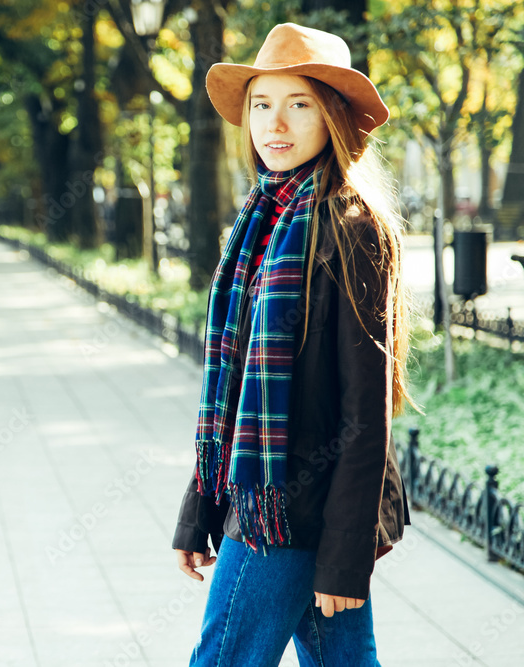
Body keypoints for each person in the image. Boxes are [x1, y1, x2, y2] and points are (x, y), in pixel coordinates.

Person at [171, 23, 413, 666]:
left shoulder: (351, 228)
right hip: (266, 500)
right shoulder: (262, 220)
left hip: (288, 515)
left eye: (298, 103)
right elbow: (231, 390)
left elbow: (367, 415)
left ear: (332, 115)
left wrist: (343, 555)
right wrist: (200, 509)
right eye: (261, 104)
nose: (274, 124)